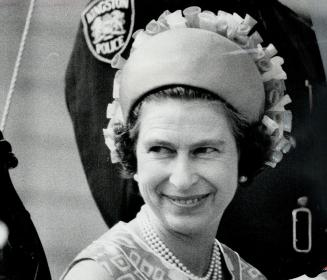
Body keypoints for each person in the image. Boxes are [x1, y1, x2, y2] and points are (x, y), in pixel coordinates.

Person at [61, 8, 295, 279]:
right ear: (132, 155)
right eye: (160, 150)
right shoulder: (99, 275)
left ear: (244, 155)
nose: (182, 179)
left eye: (205, 150)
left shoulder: (249, 276)